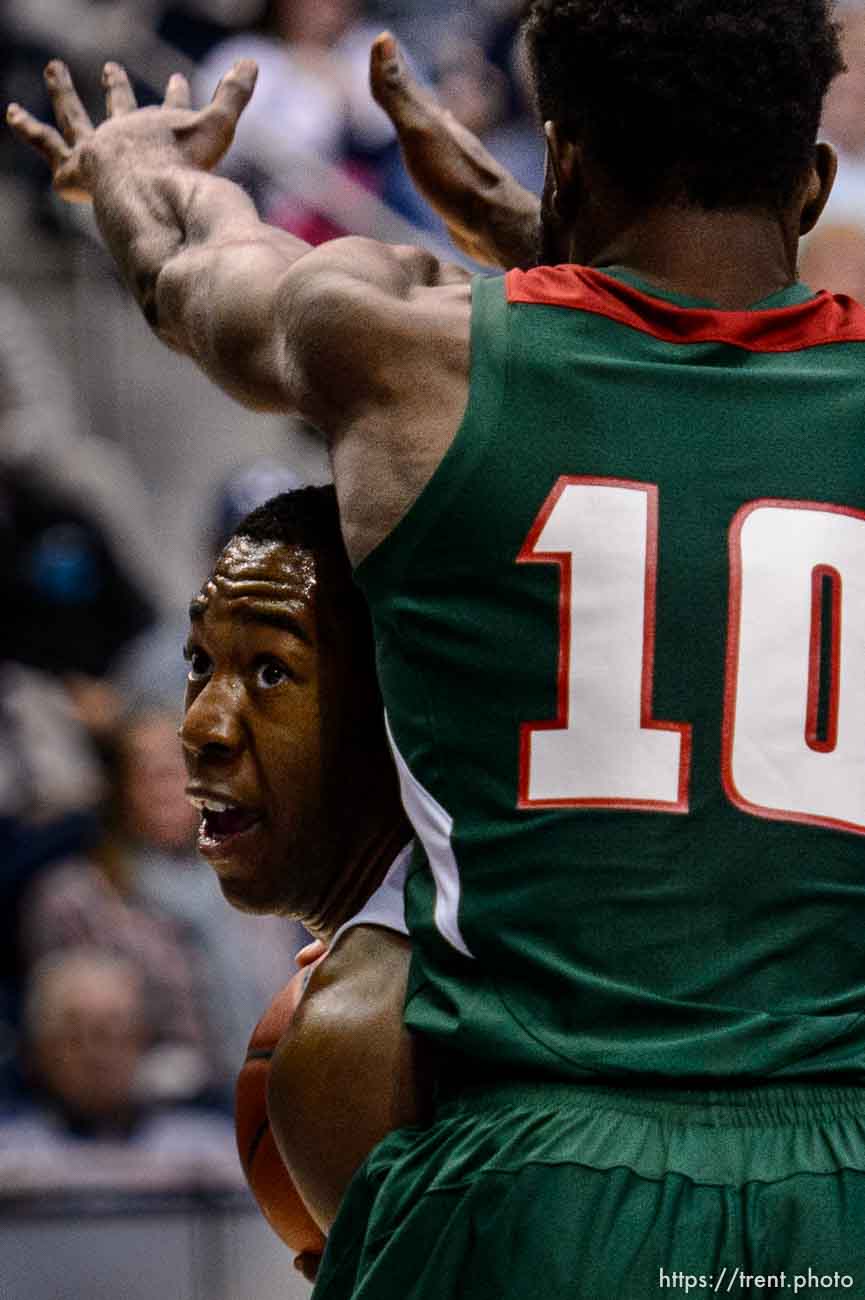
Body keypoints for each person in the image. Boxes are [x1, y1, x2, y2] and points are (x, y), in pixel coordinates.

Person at [9, 3, 865, 1294]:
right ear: (810, 177)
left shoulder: (406, 355)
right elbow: (713, 341)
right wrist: (539, 233)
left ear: (563, 155)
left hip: (541, 1173)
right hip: (841, 1182)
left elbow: (193, 274)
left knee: (355, 1005)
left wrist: (136, 167)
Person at [178, 485, 423, 1277]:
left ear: (390, 704)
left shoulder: (361, 1031)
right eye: (199, 662)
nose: (199, 726)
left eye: (271, 672)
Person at [0, 946, 242, 1191]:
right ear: (41, 1049)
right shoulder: (10, 1157)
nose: (95, 1054)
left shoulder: (212, 1155)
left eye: (112, 1032)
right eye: (75, 1037)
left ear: (143, 1039)